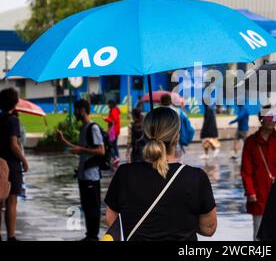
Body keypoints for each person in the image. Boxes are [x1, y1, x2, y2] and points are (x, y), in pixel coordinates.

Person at [104, 107, 217, 240]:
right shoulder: (196, 177)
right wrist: (184, 220)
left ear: (145, 136)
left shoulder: (124, 174)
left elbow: (110, 218)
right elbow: (209, 228)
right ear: (176, 137)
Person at [58, 99, 105, 241]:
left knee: (92, 207)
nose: (75, 114)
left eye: (77, 110)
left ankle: (93, 236)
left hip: (91, 175)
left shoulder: (93, 128)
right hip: (83, 174)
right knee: (86, 206)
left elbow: (101, 150)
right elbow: (81, 149)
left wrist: (81, 149)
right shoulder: (84, 128)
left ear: (82, 110)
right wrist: (63, 140)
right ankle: (89, 235)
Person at [241, 106, 276, 241]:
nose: (272, 121)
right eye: (269, 117)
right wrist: (250, 192)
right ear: (261, 119)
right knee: (259, 232)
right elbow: (246, 170)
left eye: (274, 117)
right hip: (258, 193)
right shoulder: (251, 142)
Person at [0, 88, 29, 242]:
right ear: (15, 102)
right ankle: (11, 237)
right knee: (11, 202)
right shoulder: (13, 120)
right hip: (11, 165)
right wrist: (24, 160)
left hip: (0, 163)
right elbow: (13, 144)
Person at [105, 100, 121, 168]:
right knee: (114, 145)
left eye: (108, 104)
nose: (107, 105)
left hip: (113, 131)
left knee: (110, 144)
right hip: (115, 130)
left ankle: (115, 157)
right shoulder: (115, 110)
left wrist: (106, 119)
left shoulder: (114, 110)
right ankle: (117, 157)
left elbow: (114, 120)